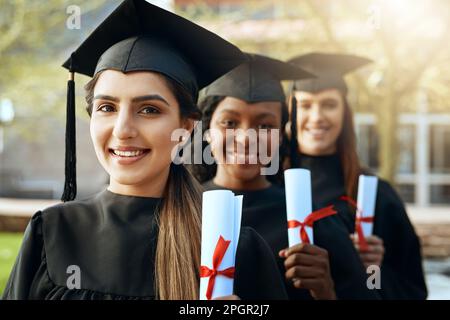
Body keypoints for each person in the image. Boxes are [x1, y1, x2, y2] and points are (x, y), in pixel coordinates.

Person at [2, 0, 287, 300]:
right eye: (107, 107)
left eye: (149, 109)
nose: (123, 130)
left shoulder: (229, 248)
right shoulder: (50, 234)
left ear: (187, 127)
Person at [192, 54, 378, 299]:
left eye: (265, 126)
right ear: (207, 130)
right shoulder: (179, 210)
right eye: (229, 122)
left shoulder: (311, 219)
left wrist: (326, 291)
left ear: (281, 136)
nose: (246, 138)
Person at [287, 52, 427, 299]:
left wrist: (372, 269)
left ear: (345, 113)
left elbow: (412, 291)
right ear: (289, 113)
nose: (317, 117)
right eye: (306, 105)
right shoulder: (269, 186)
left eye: (329, 104)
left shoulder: (376, 195)